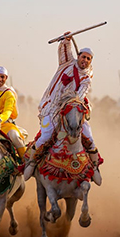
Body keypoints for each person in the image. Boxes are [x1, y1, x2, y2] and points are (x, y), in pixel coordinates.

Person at [23, 34, 100, 183]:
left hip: (73, 109)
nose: (85, 60)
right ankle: (31, 162)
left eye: (88, 59)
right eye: (83, 57)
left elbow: (81, 93)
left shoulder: (87, 77)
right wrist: (67, 39)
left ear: (91, 62)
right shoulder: (66, 63)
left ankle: (95, 166)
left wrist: (72, 103)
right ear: (78, 56)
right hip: (51, 107)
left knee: (89, 136)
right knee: (46, 135)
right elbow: (65, 50)